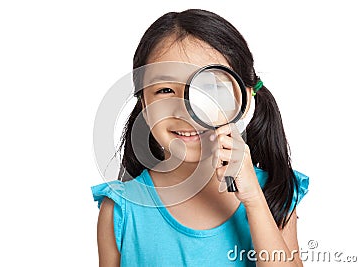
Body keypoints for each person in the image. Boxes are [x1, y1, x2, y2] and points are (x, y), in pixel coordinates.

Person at [91, 9, 309, 266]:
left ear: (244, 97)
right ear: (143, 106)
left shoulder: (273, 192)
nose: (186, 109)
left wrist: (254, 201)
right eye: (165, 89)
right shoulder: (121, 210)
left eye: (211, 87)